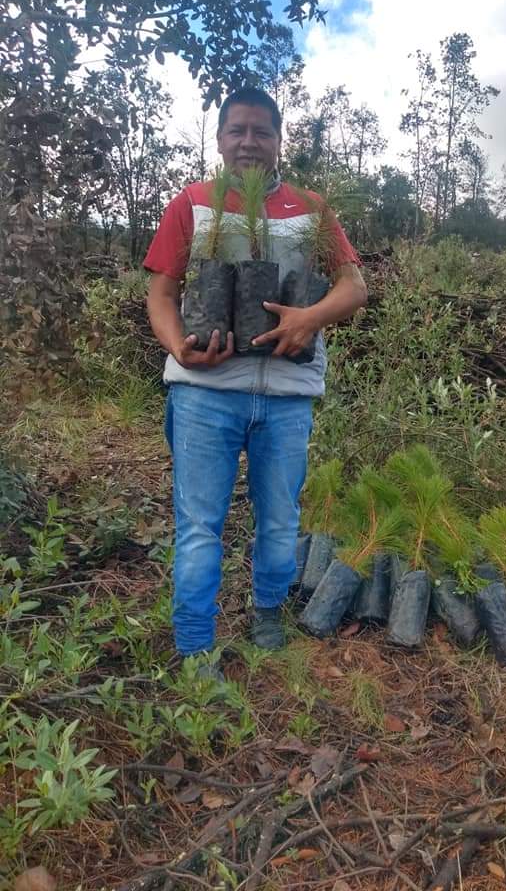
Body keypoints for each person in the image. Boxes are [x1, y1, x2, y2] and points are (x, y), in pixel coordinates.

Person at [143, 87, 367, 672]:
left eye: (261, 131)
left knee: (280, 517)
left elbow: (354, 287)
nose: (248, 142)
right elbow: (161, 295)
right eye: (237, 130)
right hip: (205, 394)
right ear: (219, 139)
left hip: (287, 396)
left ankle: (268, 612)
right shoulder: (193, 204)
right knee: (199, 525)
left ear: (277, 140)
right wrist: (179, 347)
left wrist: (310, 318)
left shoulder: (312, 209)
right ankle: (196, 645)